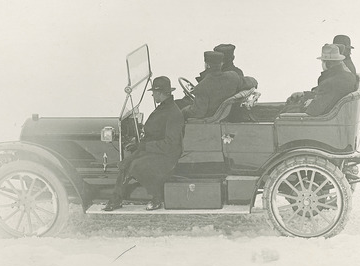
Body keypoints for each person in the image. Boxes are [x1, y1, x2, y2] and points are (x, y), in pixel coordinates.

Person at [104, 76, 184, 212]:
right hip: (155, 151)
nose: (152, 95)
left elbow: (171, 145)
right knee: (125, 164)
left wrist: (143, 146)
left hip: (167, 156)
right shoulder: (163, 108)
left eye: (154, 92)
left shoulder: (173, 113)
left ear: (160, 93)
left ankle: (157, 197)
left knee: (135, 165)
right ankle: (116, 199)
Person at [284, 44, 357, 117]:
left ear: (328, 63)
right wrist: (307, 96)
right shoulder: (348, 76)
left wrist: (310, 102)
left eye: (323, 61)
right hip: (332, 114)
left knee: (284, 111)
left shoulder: (330, 83)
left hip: (318, 121)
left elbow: (313, 111)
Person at [183, 50, 257, 120]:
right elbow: (252, 82)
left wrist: (184, 110)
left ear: (207, 65)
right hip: (225, 116)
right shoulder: (232, 76)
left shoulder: (202, 86)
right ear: (221, 64)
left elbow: (198, 113)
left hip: (209, 120)